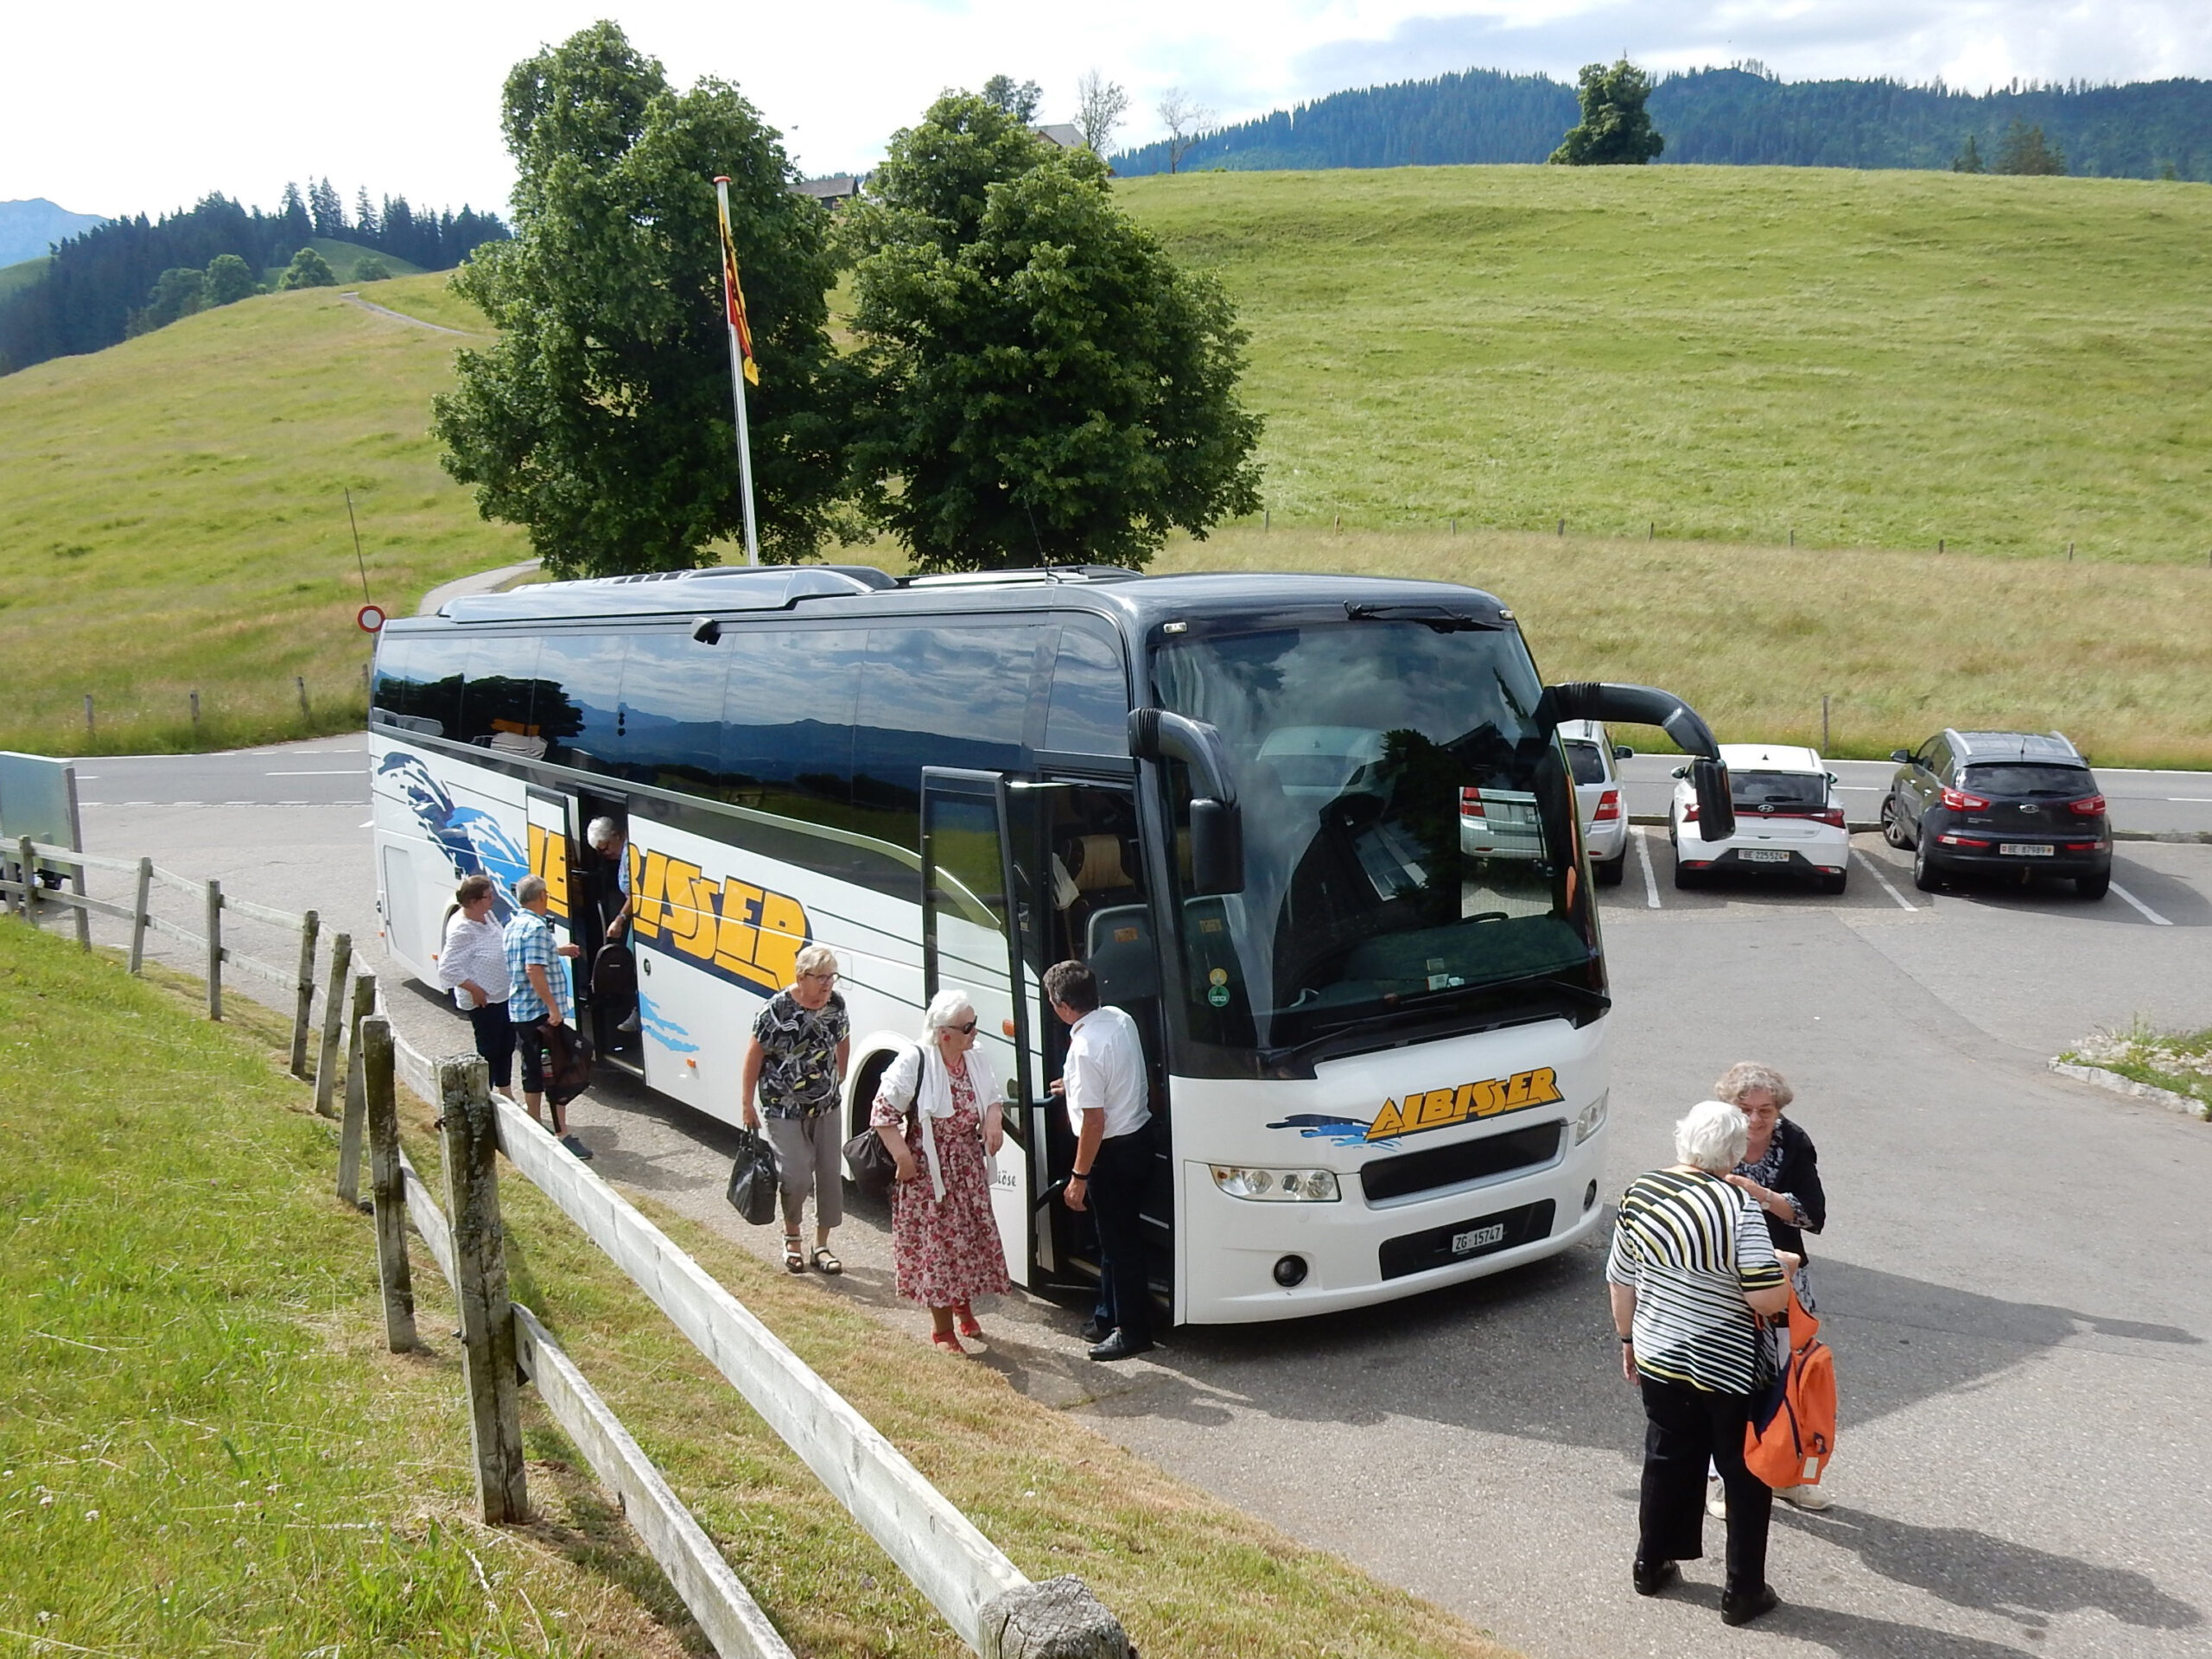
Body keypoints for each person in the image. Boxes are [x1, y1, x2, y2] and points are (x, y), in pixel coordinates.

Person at [1608, 1098, 1796, 1628]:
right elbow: (1766, 1300)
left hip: (1658, 1351)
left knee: (1667, 1455)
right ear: (1735, 1154)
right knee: (1743, 1471)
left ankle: (1652, 1562)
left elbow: (1620, 1277)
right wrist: (1784, 1266)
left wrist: (1627, 1339)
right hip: (1729, 1365)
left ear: (1682, 1139)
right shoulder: (1736, 1207)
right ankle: (1742, 1591)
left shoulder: (1639, 1192)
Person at [1711, 1059, 1830, 1516]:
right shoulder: (1716, 1138)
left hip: (1785, 1275)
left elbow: (1812, 1216)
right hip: (1725, 1279)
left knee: (1789, 1380)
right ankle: (1721, 1479)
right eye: (1747, 1109)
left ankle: (1786, 1474)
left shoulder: (1793, 1141)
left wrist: (1762, 1197)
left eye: (1767, 1110)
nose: (1757, 1120)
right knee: (1728, 1381)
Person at [872, 989, 1010, 1355]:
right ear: (944, 1032)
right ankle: (942, 1329)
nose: (975, 1032)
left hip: (966, 1167)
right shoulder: (915, 1060)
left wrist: (993, 1122)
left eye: (975, 1024)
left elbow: (993, 1098)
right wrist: (904, 1160)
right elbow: (882, 1116)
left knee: (967, 1243)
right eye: (968, 1027)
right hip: (929, 1173)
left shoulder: (974, 1057)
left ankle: (962, 1302)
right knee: (939, 1250)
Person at [1045, 959, 1154, 1362]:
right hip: (1140, 1137)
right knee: (1114, 1238)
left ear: (1061, 1005)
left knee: (1120, 1244)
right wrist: (1072, 1087)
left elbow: (1094, 1121)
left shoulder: (1084, 1049)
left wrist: (1079, 1175)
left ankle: (1133, 1331)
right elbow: (1116, 1078)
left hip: (1112, 1153)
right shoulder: (1121, 1020)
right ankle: (1108, 1316)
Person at [740, 945, 851, 1275]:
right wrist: (747, 1104)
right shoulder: (776, 1010)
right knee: (797, 1174)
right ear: (801, 977)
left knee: (830, 1174)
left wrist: (840, 1075)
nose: (828, 985)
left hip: (826, 1106)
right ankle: (792, 1237)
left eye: (832, 977)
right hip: (783, 1107)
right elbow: (753, 1056)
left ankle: (822, 1245)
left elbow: (842, 1038)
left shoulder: (836, 1005)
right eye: (821, 978)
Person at [503, 873, 590, 1159]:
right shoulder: (538, 929)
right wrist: (553, 1008)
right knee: (557, 1071)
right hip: (540, 1014)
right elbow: (533, 970)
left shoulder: (514, 924)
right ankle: (561, 1132)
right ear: (541, 897)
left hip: (520, 1011)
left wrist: (559, 951)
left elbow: (528, 959)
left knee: (532, 1068)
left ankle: (534, 1123)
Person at [436, 874, 514, 1101]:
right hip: (483, 1000)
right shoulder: (463, 929)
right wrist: (475, 990)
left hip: (502, 993)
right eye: (488, 897)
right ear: (473, 901)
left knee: (506, 1044)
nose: (492, 900)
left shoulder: (487, 916)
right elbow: (447, 968)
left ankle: (506, 1093)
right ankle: (484, 1096)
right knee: (489, 1049)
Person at [586, 817, 639, 1034]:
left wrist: (620, 919)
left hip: (636, 917)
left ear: (617, 836)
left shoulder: (630, 854)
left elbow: (638, 893)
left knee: (633, 966)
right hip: (632, 916)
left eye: (605, 847)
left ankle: (637, 1012)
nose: (605, 855)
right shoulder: (624, 852)